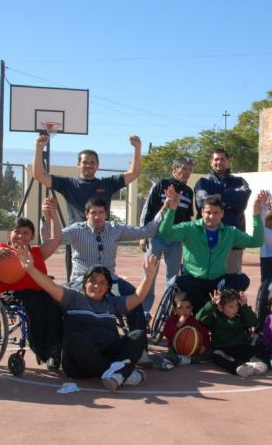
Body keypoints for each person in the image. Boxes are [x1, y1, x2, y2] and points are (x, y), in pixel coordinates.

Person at [16, 249, 159, 392]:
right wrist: (30, 268)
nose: (97, 286)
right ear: (85, 283)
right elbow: (50, 286)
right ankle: (120, 375)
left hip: (108, 354)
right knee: (74, 339)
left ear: (108, 287)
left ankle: (115, 375)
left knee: (138, 335)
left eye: (102, 282)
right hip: (78, 365)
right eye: (92, 281)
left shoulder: (112, 303)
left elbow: (137, 298)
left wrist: (148, 277)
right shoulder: (73, 299)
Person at [33, 134, 143, 279]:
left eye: (92, 162)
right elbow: (39, 175)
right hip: (76, 239)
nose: (89, 165)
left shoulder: (107, 183)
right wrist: (39, 148)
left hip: (102, 238)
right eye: (85, 162)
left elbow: (133, 173)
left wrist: (137, 148)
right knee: (75, 283)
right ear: (78, 164)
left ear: (97, 165)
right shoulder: (68, 184)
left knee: (103, 281)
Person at [59, 196, 166, 339]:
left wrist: (165, 208)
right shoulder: (76, 231)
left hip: (110, 281)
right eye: (93, 213)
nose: (97, 216)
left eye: (101, 212)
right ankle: (58, 347)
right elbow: (52, 238)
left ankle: (140, 347)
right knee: (58, 300)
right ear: (86, 214)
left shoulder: (115, 229)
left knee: (134, 298)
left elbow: (146, 231)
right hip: (81, 281)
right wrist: (49, 218)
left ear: (106, 214)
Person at [0, 197, 64, 371]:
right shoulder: (1, 249)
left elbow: (57, 239)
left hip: (39, 292)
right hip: (12, 294)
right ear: (9, 234)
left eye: (26, 233)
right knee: (35, 305)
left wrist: (53, 215)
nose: (21, 236)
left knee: (57, 306)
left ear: (32, 236)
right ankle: (45, 351)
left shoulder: (37, 252)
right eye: (17, 232)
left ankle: (56, 349)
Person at [158, 187, 266, 313]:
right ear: (202, 212)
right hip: (193, 279)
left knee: (242, 279)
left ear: (222, 214)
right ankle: (207, 313)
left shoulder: (230, 232)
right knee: (179, 282)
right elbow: (165, 233)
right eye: (208, 212)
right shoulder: (189, 228)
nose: (211, 216)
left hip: (217, 281)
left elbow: (256, 241)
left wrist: (256, 215)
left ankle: (214, 312)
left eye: (216, 213)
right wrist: (171, 209)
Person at [138, 156, 195, 318]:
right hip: (155, 236)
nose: (186, 172)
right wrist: (144, 235)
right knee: (150, 275)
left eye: (189, 170)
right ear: (174, 169)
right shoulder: (161, 185)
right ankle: (144, 313)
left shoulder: (188, 192)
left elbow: (186, 219)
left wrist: (186, 239)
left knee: (173, 278)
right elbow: (147, 209)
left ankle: (166, 314)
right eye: (183, 168)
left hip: (175, 241)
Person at [194, 148, 251, 273]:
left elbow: (242, 198)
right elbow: (201, 201)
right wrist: (230, 202)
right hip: (206, 240)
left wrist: (221, 196)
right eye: (216, 159)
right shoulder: (203, 182)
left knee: (233, 279)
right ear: (211, 162)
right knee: (207, 277)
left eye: (222, 159)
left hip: (233, 241)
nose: (219, 162)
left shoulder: (239, 181)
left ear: (228, 162)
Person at [195, 289, 267, 377]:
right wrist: (212, 304)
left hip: (241, 347)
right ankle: (237, 367)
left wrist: (244, 306)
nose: (235, 309)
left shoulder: (241, 314)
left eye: (236, 305)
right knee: (217, 356)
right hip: (224, 350)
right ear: (221, 307)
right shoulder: (215, 317)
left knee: (260, 349)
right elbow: (199, 319)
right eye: (230, 306)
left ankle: (254, 363)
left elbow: (253, 322)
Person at [162, 291, 211, 368]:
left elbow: (205, 335)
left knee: (208, 352)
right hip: (175, 347)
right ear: (174, 310)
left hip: (193, 348)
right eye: (180, 308)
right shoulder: (172, 320)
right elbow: (167, 333)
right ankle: (169, 362)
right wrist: (178, 324)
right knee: (171, 353)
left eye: (187, 307)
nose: (184, 311)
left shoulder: (194, 321)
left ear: (191, 308)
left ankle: (189, 359)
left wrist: (204, 346)